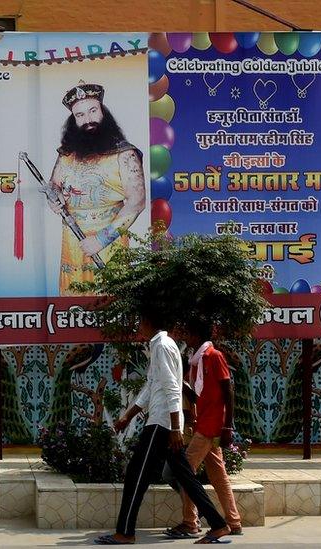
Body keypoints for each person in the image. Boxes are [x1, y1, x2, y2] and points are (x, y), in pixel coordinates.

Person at [95, 313, 230, 545]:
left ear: (149, 321)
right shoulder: (159, 345)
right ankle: (219, 525)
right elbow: (151, 386)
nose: (138, 326)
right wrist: (128, 415)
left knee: (136, 475)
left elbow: (172, 388)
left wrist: (176, 428)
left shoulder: (163, 346)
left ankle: (125, 532)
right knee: (186, 476)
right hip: (161, 421)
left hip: (161, 423)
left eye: (140, 321)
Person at [48, 81, 146, 296]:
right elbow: (53, 185)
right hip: (73, 242)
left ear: (103, 113)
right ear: (73, 121)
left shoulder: (125, 154)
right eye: (80, 115)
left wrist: (101, 240)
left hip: (109, 243)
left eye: (93, 111)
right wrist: (54, 198)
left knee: (110, 304)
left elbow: (137, 202)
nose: (88, 119)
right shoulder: (67, 154)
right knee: (72, 307)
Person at [164, 321, 242, 539]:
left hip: (211, 425)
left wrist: (227, 426)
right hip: (204, 423)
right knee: (218, 476)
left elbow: (229, 391)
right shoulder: (196, 361)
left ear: (196, 335)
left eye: (187, 333)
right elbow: (198, 395)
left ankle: (190, 522)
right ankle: (233, 521)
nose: (185, 337)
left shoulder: (213, 356)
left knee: (184, 472)